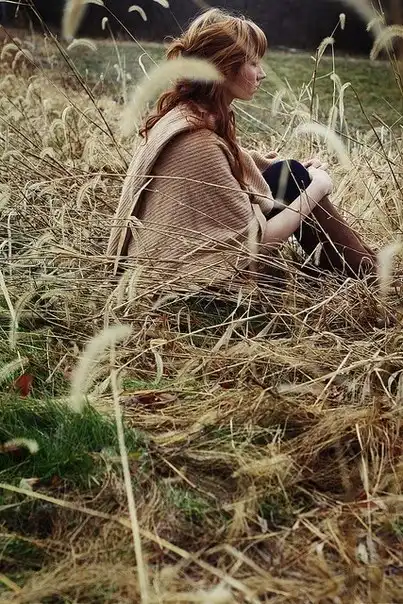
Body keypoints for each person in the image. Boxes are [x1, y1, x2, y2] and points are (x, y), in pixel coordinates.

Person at [107, 8, 376, 291]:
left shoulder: (185, 115)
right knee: (299, 181)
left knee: (292, 174)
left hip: (164, 269)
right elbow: (253, 246)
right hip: (191, 286)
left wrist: (294, 172)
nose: (262, 74)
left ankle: (361, 270)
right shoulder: (198, 141)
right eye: (253, 63)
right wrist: (317, 188)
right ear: (224, 67)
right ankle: (367, 276)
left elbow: (234, 166)